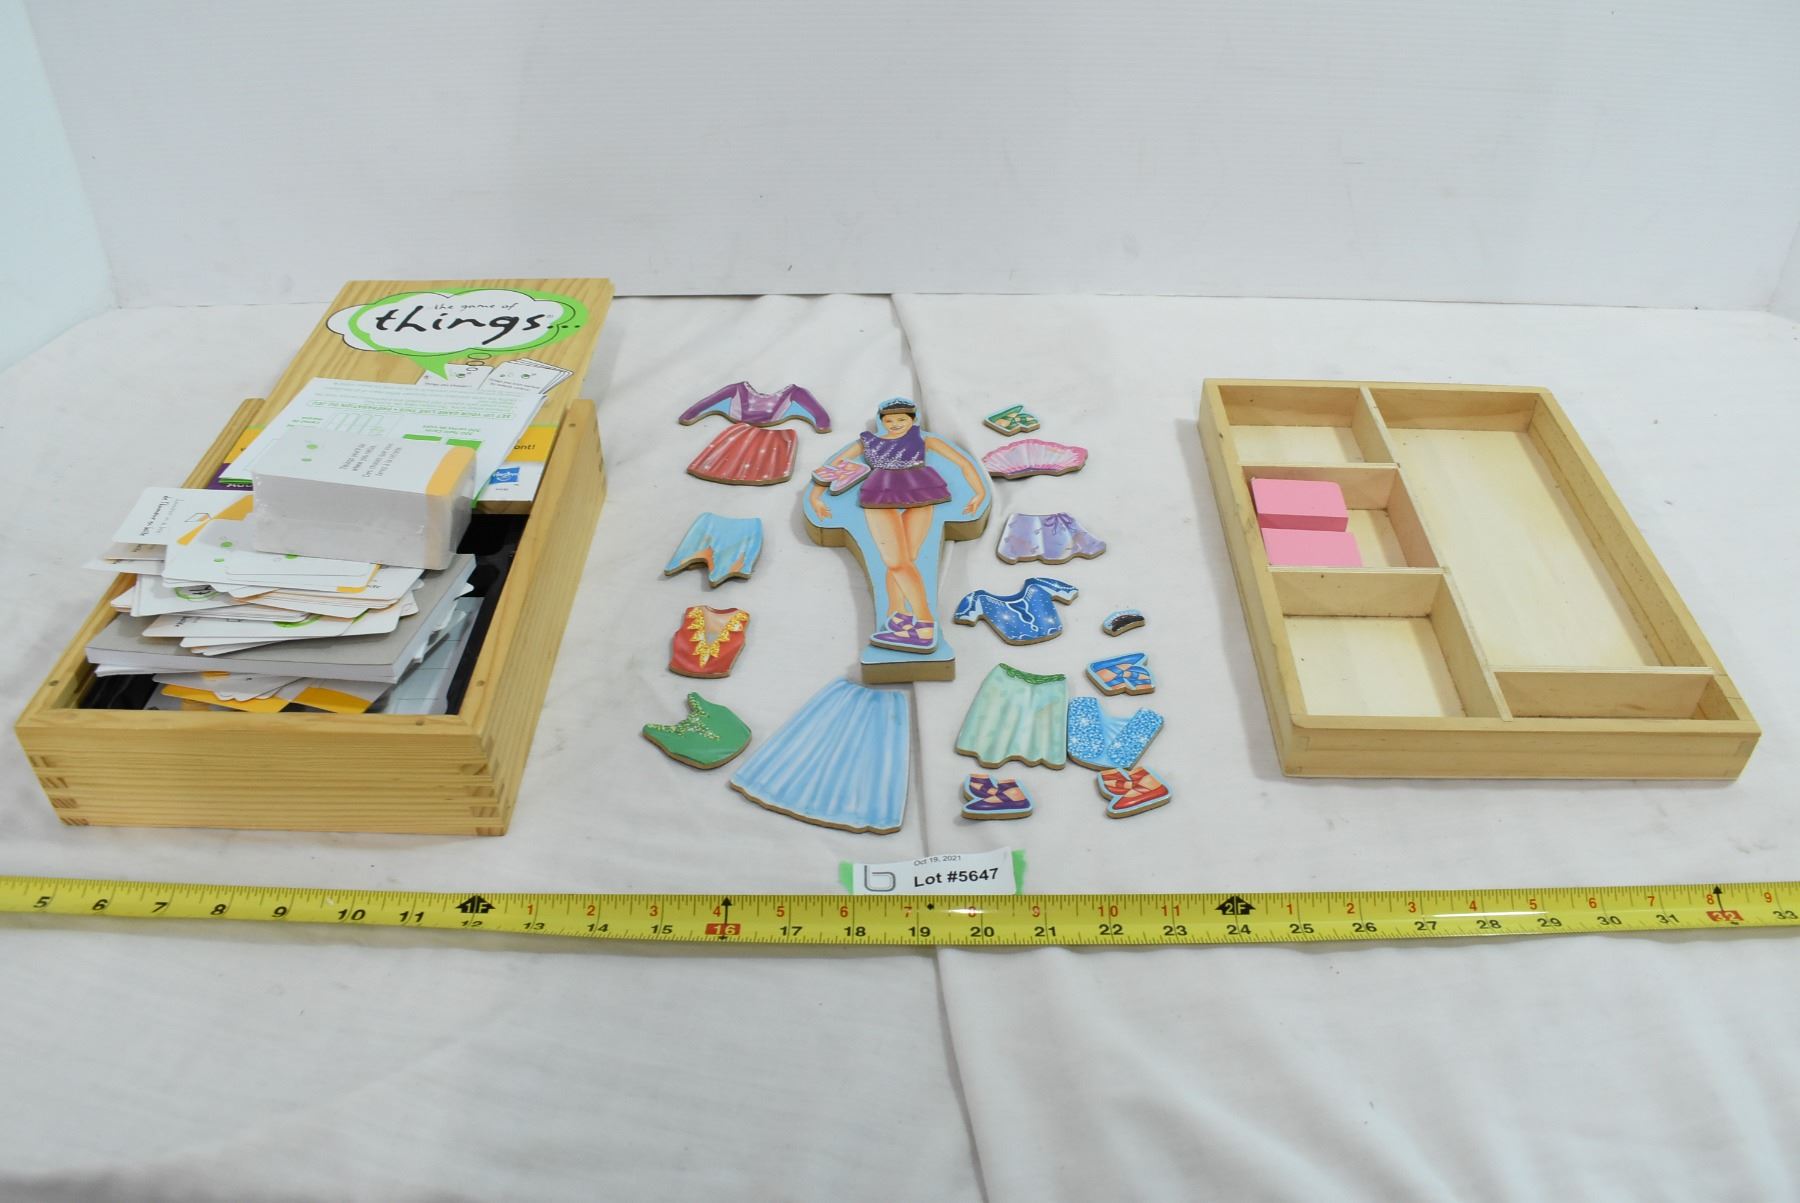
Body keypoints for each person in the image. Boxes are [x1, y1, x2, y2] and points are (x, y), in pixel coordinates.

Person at [808, 398, 987, 651]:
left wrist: (979, 492)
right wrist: (815, 497)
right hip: (879, 495)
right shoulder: (867, 442)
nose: (894, 424)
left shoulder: (924, 439)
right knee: (895, 561)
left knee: (908, 560)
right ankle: (921, 623)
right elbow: (830, 469)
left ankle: (901, 617)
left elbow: (963, 463)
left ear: (913, 420)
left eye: (901, 419)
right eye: (889, 420)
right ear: (881, 421)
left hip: (922, 492)